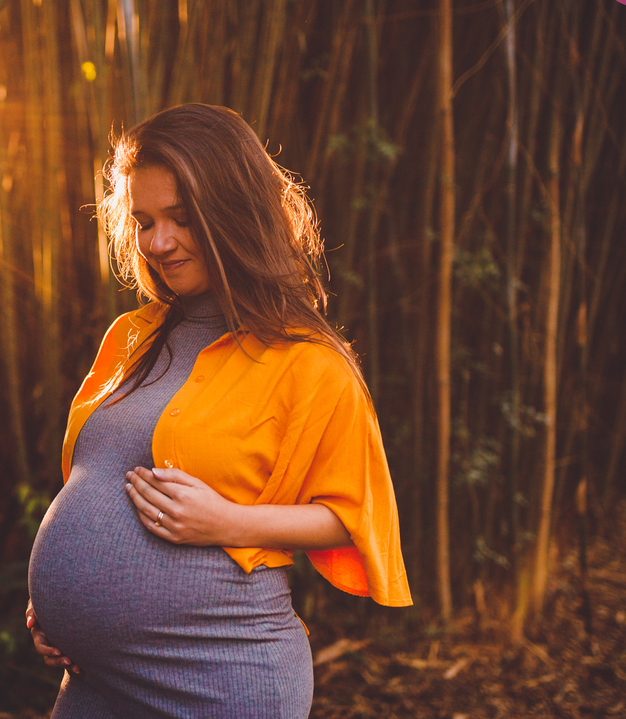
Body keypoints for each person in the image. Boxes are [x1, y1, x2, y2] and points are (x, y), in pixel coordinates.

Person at [26, 104, 411, 718]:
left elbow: (353, 517)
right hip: (94, 683)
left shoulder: (308, 361)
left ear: (235, 211)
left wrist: (229, 523)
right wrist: (56, 608)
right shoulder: (130, 337)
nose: (159, 242)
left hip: (222, 677)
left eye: (181, 219)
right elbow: (92, 476)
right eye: (144, 221)